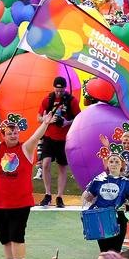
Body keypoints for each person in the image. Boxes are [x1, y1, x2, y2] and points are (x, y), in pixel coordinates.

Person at [0, 111, 55, 259]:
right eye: (9, 133)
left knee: (17, 236)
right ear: (3, 135)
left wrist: (45, 123)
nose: (13, 135)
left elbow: (36, 135)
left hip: (20, 203)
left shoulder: (25, 148)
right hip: (0, 203)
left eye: (15, 132)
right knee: (5, 238)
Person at [82, 135, 129, 252]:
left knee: (115, 252)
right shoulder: (98, 180)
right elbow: (88, 197)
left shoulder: (127, 183)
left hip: (119, 219)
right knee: (104, 251)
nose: (113, 163)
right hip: (101, 218)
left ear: (122, 165)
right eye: (111, 161)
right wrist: (86, 195)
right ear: (107, 164)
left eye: (116, 161)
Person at [37, 76, 81, 208]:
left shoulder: (71, 101)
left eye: (61, 91)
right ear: (54, 88)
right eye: (57, 91)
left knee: (62, 167)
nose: (59, 93)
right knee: (45, 164)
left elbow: (79, 117)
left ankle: (59, 196)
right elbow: (38, 117)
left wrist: (67, 122)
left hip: (64, 139)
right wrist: (45, 119)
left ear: (65, 89)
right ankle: (47, 194)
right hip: (49, 137)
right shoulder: (48, 99)